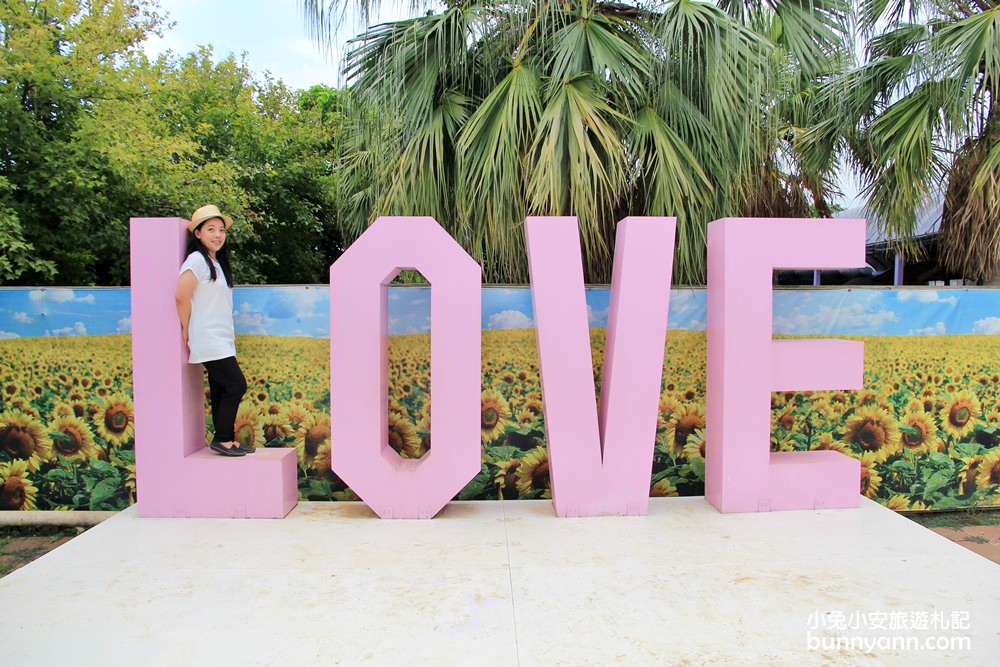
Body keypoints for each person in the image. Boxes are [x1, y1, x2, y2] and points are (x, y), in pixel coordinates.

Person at [175, 204, 252, 457]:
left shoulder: (215, 262)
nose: (217, 235)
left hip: (221, 336)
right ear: (197, 233)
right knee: (236, 385)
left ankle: (226, 439)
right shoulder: (196, 261)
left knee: (221, 386)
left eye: (221, 230)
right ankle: (222, 438)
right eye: (210, 229)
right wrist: (186, 328)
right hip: (207, 336)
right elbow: (181, 296)